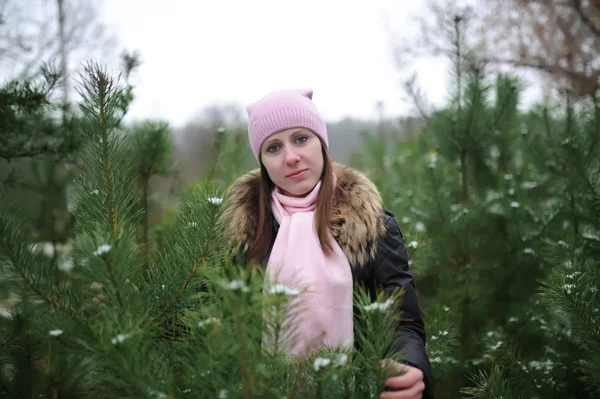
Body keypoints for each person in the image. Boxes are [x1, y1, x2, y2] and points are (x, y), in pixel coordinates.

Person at [218, 89, 434, 399]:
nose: (291, 156)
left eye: (301, 138)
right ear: (263, 161)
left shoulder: (371, 225)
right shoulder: (243, 237)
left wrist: (409, 364)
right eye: (274, 147)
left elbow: (403, 322)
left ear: (322, 143)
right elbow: (225, 334)